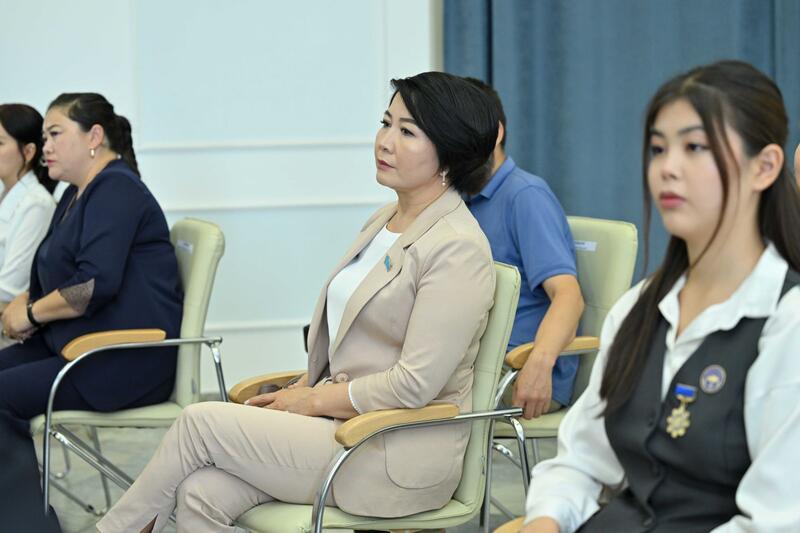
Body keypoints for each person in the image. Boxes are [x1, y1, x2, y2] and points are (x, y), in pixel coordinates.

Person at [97, 72, 498, 532]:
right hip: (340, 428)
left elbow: (414, 384)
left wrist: (311, 400)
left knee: (199, 422)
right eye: (385, 123)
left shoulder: (457, 247)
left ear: (449, 154)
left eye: (407, 132)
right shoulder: (385, 219)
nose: (385, 142)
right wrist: (303, 389)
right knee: (199, 493)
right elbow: (355, 349)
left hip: (390, 449)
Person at [522, 60, 800, 533]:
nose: (667, 168)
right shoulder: (640, 307)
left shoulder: (786, 321)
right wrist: (545, 520)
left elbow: (776, 522)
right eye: (657, 149)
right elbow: (580, 460)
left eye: (695, 147)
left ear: (765, 167)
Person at [0, 92, 183, 421]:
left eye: (55, 134)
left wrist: (30, 314)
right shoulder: (74, 193)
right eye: (44, 138)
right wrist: (25, 302)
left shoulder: (117, 189)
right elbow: (55, 273)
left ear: (94, 136)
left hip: (117, 360)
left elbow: (91, 286)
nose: (46, 147)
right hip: (75, 345)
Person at [464, 78, 583, 418]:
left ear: (496, 134)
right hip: (477, 364)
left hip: (516, 370)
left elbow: (569, 297)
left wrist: (539, 364)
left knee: (414, 398)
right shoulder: (462, 198)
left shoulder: (525, 196)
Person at [0, 104, 57, 348]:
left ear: (29, 151)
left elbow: (8, 291)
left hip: (9, 332)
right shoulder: (7, 195)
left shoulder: (36, 205)